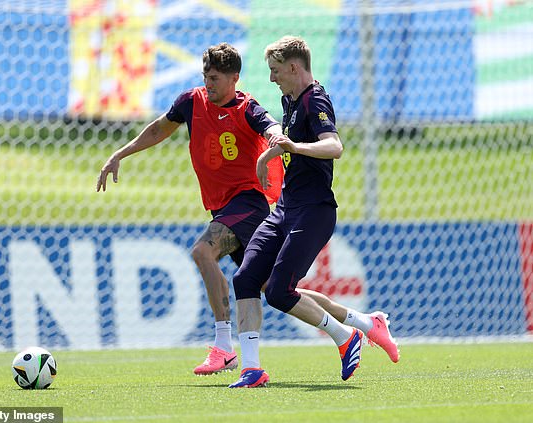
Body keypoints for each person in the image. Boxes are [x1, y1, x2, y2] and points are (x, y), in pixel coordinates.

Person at [97, 43, 285, 375]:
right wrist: (119, 155)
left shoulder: (246, 107)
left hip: (248, 204)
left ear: (234, 79)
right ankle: (353, 326)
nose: (208, 83)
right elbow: (158, 129)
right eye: (205, 76)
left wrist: (275, 139)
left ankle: (224, 346)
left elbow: (270, 126)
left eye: (214, 78)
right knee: (277, 290)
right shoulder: (191, 103)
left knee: (202, 252)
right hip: (223, 209)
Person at [228, 36, 400, 389]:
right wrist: (271, 155)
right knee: (245, 278)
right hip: (285, 208)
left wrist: (291, 147)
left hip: (314, 212)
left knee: (278, 291)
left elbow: (334, 146)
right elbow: (290, 146)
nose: (272, 78)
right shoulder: (289, 100)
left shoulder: (315, 99)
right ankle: (252, 369)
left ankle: (345, 336)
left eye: (275, 71)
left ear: (294, 67)